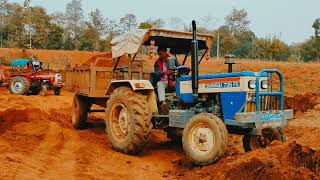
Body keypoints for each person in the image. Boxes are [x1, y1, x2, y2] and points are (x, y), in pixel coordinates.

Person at [154, 46, 179, 113]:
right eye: (159, 54)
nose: (160, 56)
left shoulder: (173, 60)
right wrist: (165, 73)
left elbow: (178, 68)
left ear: (166, 52)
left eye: (161, 54)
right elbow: (157, 74)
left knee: (181, 83)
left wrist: (174, 72)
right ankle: (163, 103)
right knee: (159, 84)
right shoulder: (157, 63)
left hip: (172, 81)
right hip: (163, 82)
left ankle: (180, 102)